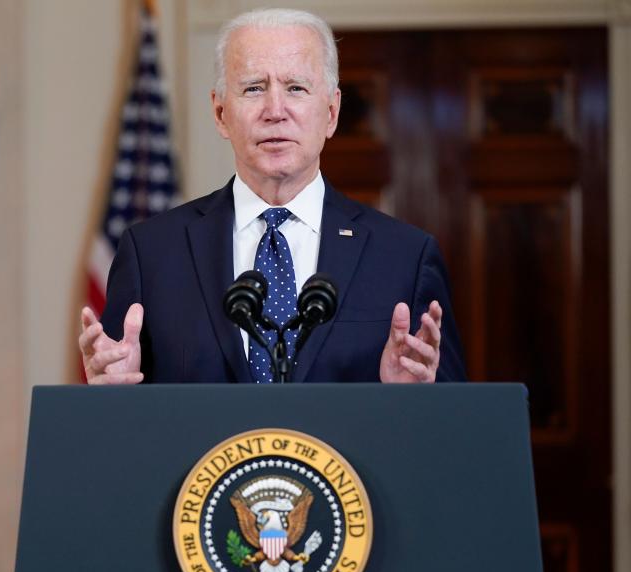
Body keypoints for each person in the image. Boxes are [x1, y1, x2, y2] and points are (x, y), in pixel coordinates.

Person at [80, 8, 465, 384]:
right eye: (253, 88)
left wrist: (412, 402)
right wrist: (111, 397)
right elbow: (118, 429)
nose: (275, 110)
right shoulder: (151, 254)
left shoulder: (404, 258)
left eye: (296, 88)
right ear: (219, 113)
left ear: (331, 112)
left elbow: (454, 429)